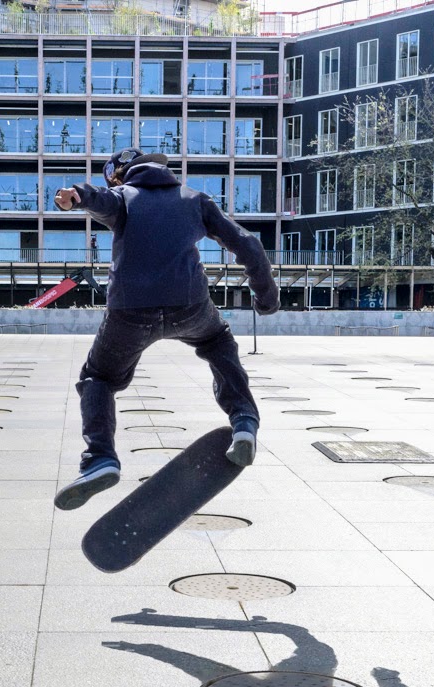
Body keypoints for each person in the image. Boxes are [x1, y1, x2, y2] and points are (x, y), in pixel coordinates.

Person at [50, 147, 278, 511]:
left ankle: (100, 458)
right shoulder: (195, 199)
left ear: (120, 175)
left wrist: (77, 196)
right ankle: (244, 421)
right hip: (190, 306)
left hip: (130, 312)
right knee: (218, 342)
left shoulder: (123, 197)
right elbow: (248, 243)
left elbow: (101, 199)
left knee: (98, 378)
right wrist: (266, 297)